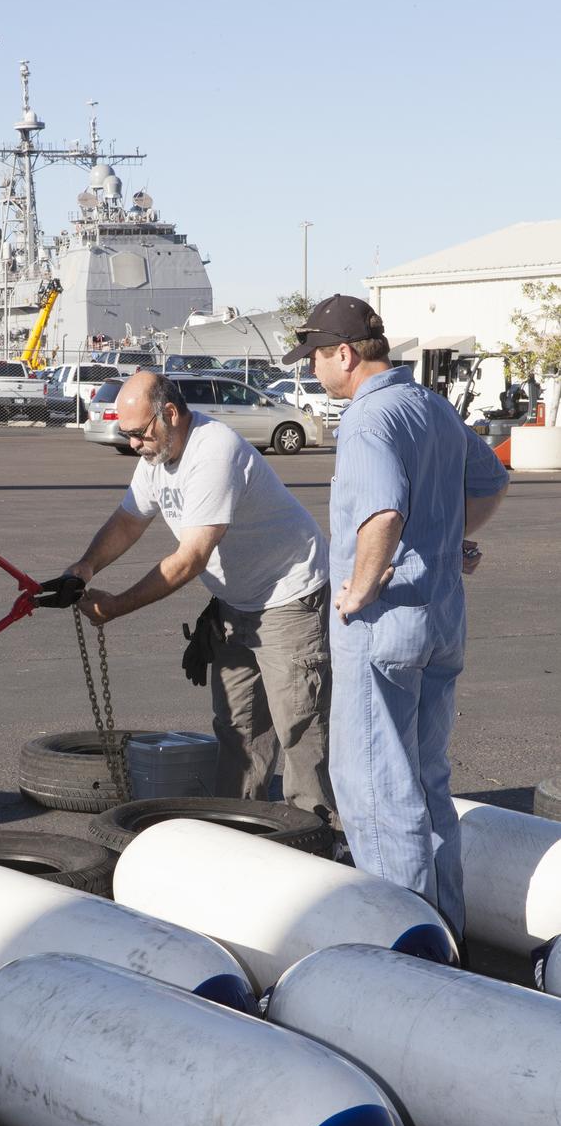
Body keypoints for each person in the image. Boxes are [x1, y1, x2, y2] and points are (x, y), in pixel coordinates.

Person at [283, 294, 509, 938]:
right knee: (426, 781)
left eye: (316, 359)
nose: (312, 372)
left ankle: (410, 956)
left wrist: (357, 589)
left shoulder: (368, 419)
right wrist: (449, 540)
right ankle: (449, 931)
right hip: (440, 619)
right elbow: (491, 481)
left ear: (345, 354)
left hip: (385, 624)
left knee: (378, 793)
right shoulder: (432, 406)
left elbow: (381, 514)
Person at [67, 370, 335, 822]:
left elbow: (189, 559)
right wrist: (85, 566)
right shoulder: (157, 453)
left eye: (138, 434)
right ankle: (238, 828)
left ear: (169, 413)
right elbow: (129, 520)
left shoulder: (213, 452)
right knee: (239, 728)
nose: (133, 444)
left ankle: (322, 837)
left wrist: (115, 607)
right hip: (236, 604)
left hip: (289, 597)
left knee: (300, 729)